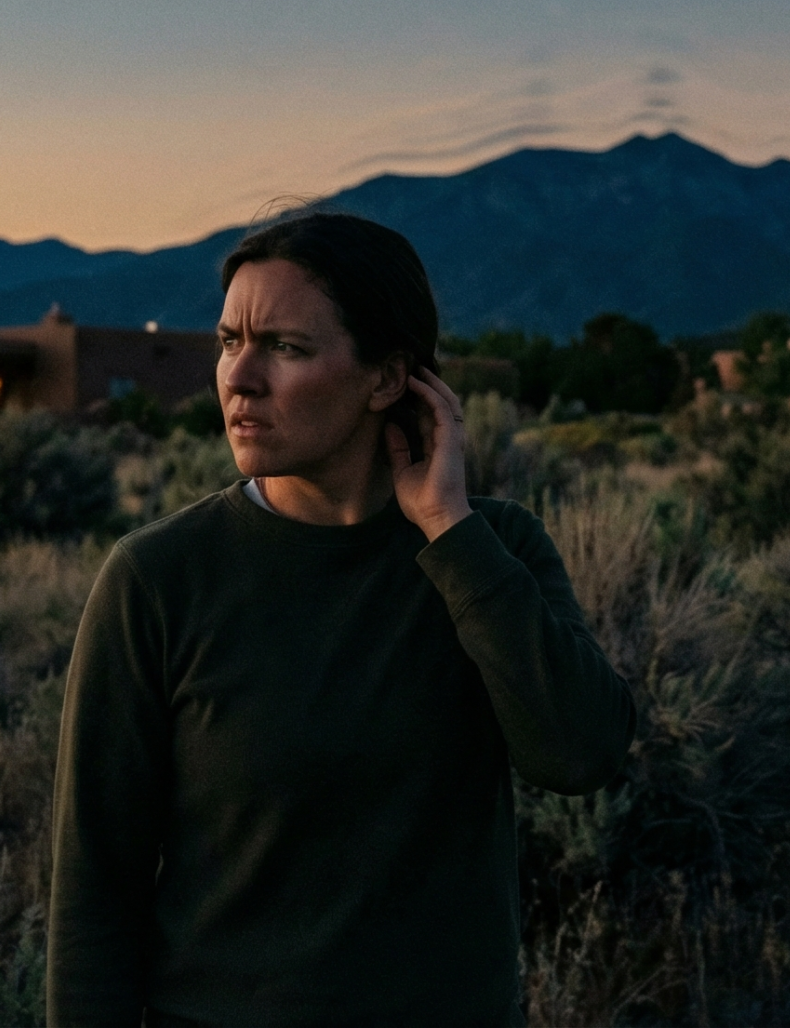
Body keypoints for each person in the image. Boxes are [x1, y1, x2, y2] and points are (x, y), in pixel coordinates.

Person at [46, 212, 634, 1027]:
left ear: (387, 377)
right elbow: (94, 890)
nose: (239, 377)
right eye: (228, 341)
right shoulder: (158, 577)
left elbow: (581, 751)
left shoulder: (491, 550)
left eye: (285, 347)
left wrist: (451, 533)